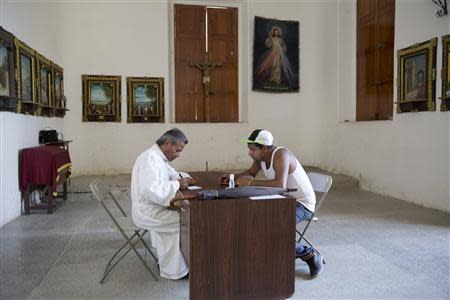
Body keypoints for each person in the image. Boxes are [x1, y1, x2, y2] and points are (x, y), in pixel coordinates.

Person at [237, 129, 324, 277]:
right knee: (251, 220)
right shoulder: (261, 158)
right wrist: (232, 179)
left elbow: (279, 185)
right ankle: (269, 254)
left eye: (253, 149)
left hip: (302, 204)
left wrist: (249, 183)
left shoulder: (281, 155)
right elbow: (250, 173)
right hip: (281, 200)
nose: (250, 153)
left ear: (264, 148)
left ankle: (309, 255)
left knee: (272, 231)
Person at [131, 128, 194, 280]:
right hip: (148, 211)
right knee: (185, 222)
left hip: (153, 207)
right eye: (177, 150)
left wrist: (184, 178)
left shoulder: (158, 157)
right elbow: (153, 190)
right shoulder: (150, 159)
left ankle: (176, 262)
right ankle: (175, 271)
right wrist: (178, 184)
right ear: (167, 144)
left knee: (185, 217)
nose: (179, 155)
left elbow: (171, 174)